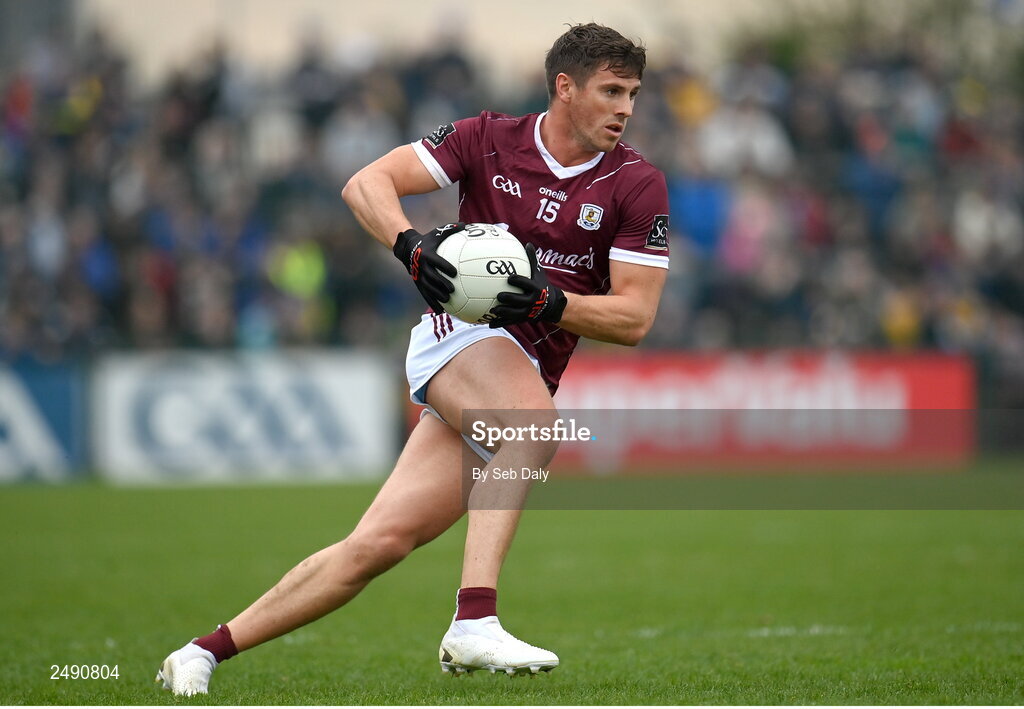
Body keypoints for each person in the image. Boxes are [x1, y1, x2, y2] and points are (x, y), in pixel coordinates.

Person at [156, 22, 669, 695]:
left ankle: (201, 650)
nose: (626, 108)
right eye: (611, 91)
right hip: (458, 338)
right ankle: (474, 617)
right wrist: (413, 248)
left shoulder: (637, 184)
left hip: (519, 361)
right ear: (564, 88)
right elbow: (366, 184)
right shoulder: (486, 138)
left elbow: (633, 317)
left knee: (374, 546)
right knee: (534, 427)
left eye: (632, 93)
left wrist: (545, 300)